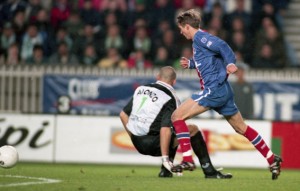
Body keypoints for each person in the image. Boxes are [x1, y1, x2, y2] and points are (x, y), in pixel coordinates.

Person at [170, 9, 282, 180]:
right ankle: (272, 158)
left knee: (177, 116)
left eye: (181, 28)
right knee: (241, 128)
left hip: (213, 90)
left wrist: (230, 63)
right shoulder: (198, 42)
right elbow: (209, 61)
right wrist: (192, 64)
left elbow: (222, 46)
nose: (181, 32)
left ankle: (187, 159)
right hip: (223, 90)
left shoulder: (200, 37)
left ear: (187, 26)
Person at [119, 66, 232, 179]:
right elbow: (165, 129)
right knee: (191, 129)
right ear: (174, 81)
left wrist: (133, 137)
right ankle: (209, 171)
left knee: (174, 130)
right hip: (153, 145)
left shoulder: (141, 89)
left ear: (158, 77)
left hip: (137, 141)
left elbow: (123, 115)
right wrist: (165, 159)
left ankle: (165, 172)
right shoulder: (170, 98)